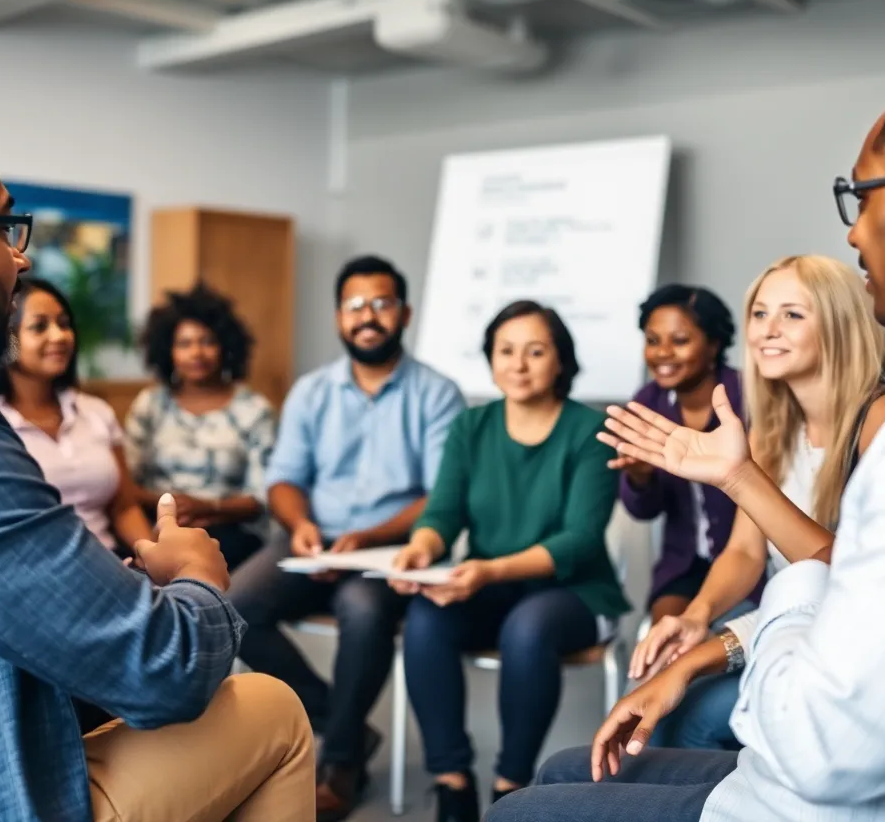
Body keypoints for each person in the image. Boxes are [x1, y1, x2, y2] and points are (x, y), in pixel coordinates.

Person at [488, 37, 885, 822]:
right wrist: (712, 595)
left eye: (861, 198)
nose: (854, 234)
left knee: (520, 812)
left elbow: (826, 748)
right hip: (868, 772)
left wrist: (798, 584)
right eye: (762, 313)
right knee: (561, 772)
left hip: (859, 800)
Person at [0, 104, 313, 821]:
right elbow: (165, 670)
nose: (21, 258)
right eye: (4, 227)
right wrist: (197, 577)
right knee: (270, 707)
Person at [623, 256, 885, 751]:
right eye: (759, 313)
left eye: (792, 314)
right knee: (658, 707)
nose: (768, 330)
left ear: (839, 322)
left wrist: (703, 656)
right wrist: (696, 615)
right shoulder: (774, 424)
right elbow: (745, 552)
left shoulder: (882, 417)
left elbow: (843, 580)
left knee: (691, 720)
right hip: (788, 622)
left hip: (851, 645)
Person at [227, 255, 465, 821]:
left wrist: (366, 539)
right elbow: (283, 481)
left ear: (405, 313)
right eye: (355, 305)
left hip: (395, 549)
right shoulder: (312, 391)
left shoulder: (437, 394)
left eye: (381, 303)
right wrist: (301, 526)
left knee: (363, 609)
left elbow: (443, 494)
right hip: (313, 541)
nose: (368, 316)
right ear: (339, 317)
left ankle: (340, 764)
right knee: (233, 604)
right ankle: (347, 728)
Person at [390, 300, 630, 821]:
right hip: (491, 585)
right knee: (425, 618)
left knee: (528, 628)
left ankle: (511, 788)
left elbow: (580, 540)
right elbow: (443, 513)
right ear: (491, 359)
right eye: (506, 351)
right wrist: (422, 548)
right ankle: (452, 784)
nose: (518, 364)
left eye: (535, 351)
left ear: (561, 361)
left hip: (574, 591)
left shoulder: (591, 430)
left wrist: (491, 570)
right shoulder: (471, 426)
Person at [0, 277, 153, 555]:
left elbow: (124, 507)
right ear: (7, 341)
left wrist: (153, 556)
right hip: (36, 566)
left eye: (64, 324)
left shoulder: (96, 411)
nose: (59, 336)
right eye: (39, 326)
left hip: (111, 559)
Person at [620, 285, 757, 632]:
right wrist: (639, 477)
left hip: (751, 562)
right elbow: (644, 511)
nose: (663, 353)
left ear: (713, 345)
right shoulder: (647, 404)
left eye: (680, 340)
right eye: (652, 341)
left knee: (721, 644)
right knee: (664, 637)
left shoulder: (749, 398)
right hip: (682, 564)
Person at [125, 282, 277, 569]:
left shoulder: (254, 410)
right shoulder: (150, 405)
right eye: (184, 344)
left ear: (226, 347)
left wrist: (208, 507)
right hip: (157, 524)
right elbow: (127, 485)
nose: (196, 353)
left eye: (207, 341)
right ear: (168, 351)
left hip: (232, 532)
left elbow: (261, 498)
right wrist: (172, 507)